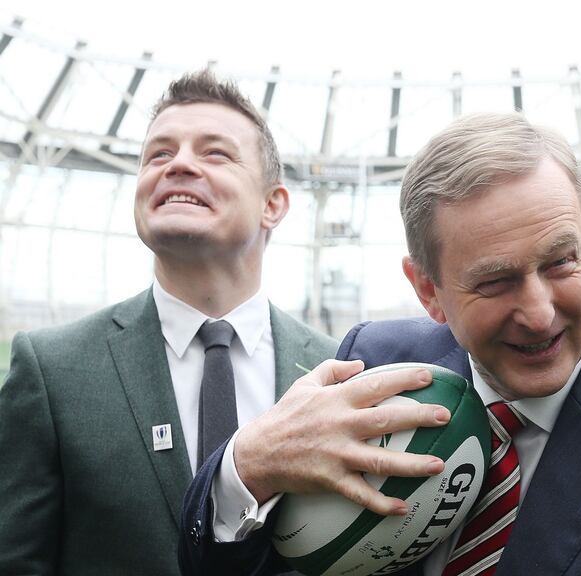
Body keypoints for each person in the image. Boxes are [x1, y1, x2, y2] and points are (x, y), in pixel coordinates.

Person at [178, 112, 581, 575]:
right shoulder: (374, 365)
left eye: (562, 262)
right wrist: (248, 467)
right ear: (427, 290)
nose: (538, 314)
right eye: (496, 281)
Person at [0, 70, 338, 576]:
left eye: (215, 153)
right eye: (158, 154)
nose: (178, 163)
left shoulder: (336, 371)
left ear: (273, 205)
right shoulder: (51, 371)